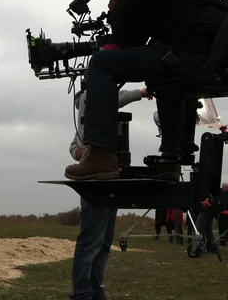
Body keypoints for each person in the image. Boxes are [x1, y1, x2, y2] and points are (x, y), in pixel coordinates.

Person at [65, 0, 228, 182]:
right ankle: (171, 159)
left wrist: (115, 9)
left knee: (102, 64)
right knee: (166, 71)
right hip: (222, 55)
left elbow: (126, 38)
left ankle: (101, 155)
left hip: (190, 54)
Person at [68, 72, 153, 300]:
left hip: (111, 177)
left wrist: (77, 150)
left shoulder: (98, 118)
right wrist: (142, 92)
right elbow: (117, 98)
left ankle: (94, 290)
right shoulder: (91, 98)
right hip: (96, 181)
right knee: (91, 241)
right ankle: (82, 293)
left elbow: (74, 144)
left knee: (104, 242)